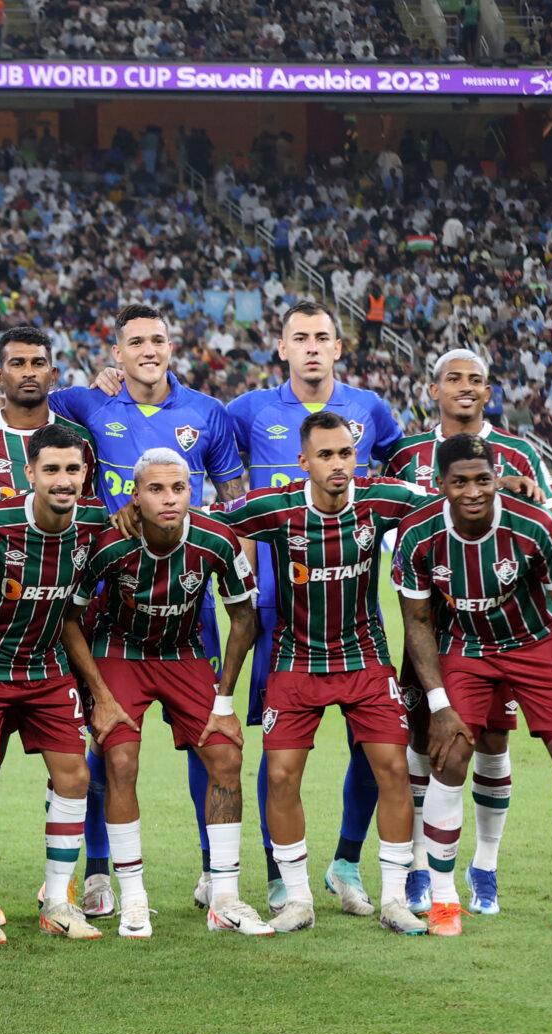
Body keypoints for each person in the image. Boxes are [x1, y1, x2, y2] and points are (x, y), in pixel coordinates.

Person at [50, 303, 247, 919]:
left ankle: (214, 875)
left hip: (188, 606)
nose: (148, 350)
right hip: (109, 596)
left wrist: (216, 533)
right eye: (135, 341)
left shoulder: (207, 413)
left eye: (158, 340)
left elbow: (235, 502)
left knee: (209, 744)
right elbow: (26, 399)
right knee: (110, 745)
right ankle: (102, 872)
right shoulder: (88, 404)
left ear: (171, 346)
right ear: (117, 352)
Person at [214, 411, 425, 935]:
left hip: (364, 658)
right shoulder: (278, 508)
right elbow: (210, 518)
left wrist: (518, 491)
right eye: (325, 455)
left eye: (346, 453)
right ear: (303, 462)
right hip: (296, 661)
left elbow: (446, 503)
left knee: (394, 771)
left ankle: (395, 899)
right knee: (282, 775)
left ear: (357, 456)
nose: (337, 464)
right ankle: (298, 900)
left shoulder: (380, 501)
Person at [225, 301, 403, 917]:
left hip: (357, 619)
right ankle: (280, 877)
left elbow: (411, 475)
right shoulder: (245, 411)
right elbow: (213, 476)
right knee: (278, 757)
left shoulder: (372, 410)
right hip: (278, 619)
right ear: (282, 347)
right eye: (299, 337)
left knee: (374, 750)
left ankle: (347, 863)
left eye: (322, 337)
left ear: (337, 347)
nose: (311, 347)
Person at [395, 435, 552, 936]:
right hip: (466, 648)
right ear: (440, 484)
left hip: (534, 643)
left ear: (497, 477)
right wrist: (439, 703)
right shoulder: (418, 534)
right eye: (460, 481)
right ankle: (445, 900)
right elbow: (418, 622)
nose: (473, 491)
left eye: (483, 479)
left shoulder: (534, 526)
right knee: (449, 755)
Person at [63, 448, 267, 938]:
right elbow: (69, 619)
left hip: (183, 653)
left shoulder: (217, 541)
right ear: (136, 495)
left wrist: (224, 700)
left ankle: (224, 897)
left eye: (178, 488)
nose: (169, 498)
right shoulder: (110, 544)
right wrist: (101, 696)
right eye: (155, 489)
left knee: (225, 756)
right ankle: (133, 898)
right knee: (121, 760)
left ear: (191, 492)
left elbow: (244, 617)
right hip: (119, 652)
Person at [385, 348, 552, 913]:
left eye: (476, 380)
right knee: (424, 738)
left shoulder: (520, 453)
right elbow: (388, 524)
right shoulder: (407, 454)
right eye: (453, 378)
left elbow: (543, 529)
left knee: (490, 739)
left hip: (496, 629)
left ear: (489, 391)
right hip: (427, 628)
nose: (464, 387)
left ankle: (485, 865)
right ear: (432, 389)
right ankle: (418, 864)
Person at [0, 425, 107, 941]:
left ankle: (58, 901)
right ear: (30, 474)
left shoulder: (94, 524)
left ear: (86, 473)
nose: (63, 481)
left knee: (74, 776)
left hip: (46, 667)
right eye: (52, 470)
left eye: (73, 470)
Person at [0, 326, 97, 506]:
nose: (29, 372)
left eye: (38, 363)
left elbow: (89, 514)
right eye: (17, 363)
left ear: (53, 375)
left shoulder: (82, 440)